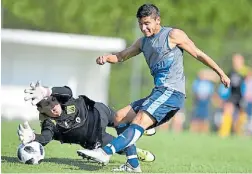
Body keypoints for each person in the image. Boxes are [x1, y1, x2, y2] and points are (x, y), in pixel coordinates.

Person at [77, 3, 230, 172]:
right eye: (140, 24)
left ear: (158, 20)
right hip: (159, 92)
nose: (143, 28)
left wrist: (220, 72)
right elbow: (121, 56)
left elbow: (198, 53)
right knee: (120, 118)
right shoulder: (143, 43)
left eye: (147, 23)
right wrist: (106, 57)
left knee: (139, 120)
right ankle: (132, 164)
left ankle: (105, 152)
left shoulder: (172, 35)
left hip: (172, 92)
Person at [17, 81, 156, 163]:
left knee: (122, 120)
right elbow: (46, 137)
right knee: (119, 146)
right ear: (40, 109)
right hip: (94, 138)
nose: (53, 105)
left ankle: (142, 125)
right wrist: (34, 137)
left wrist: (47, 91)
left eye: (53, 100)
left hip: (99, 112)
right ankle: (138, 152)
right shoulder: (50, 123)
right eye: (47, 104)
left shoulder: (64, 99)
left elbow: (67, 91)